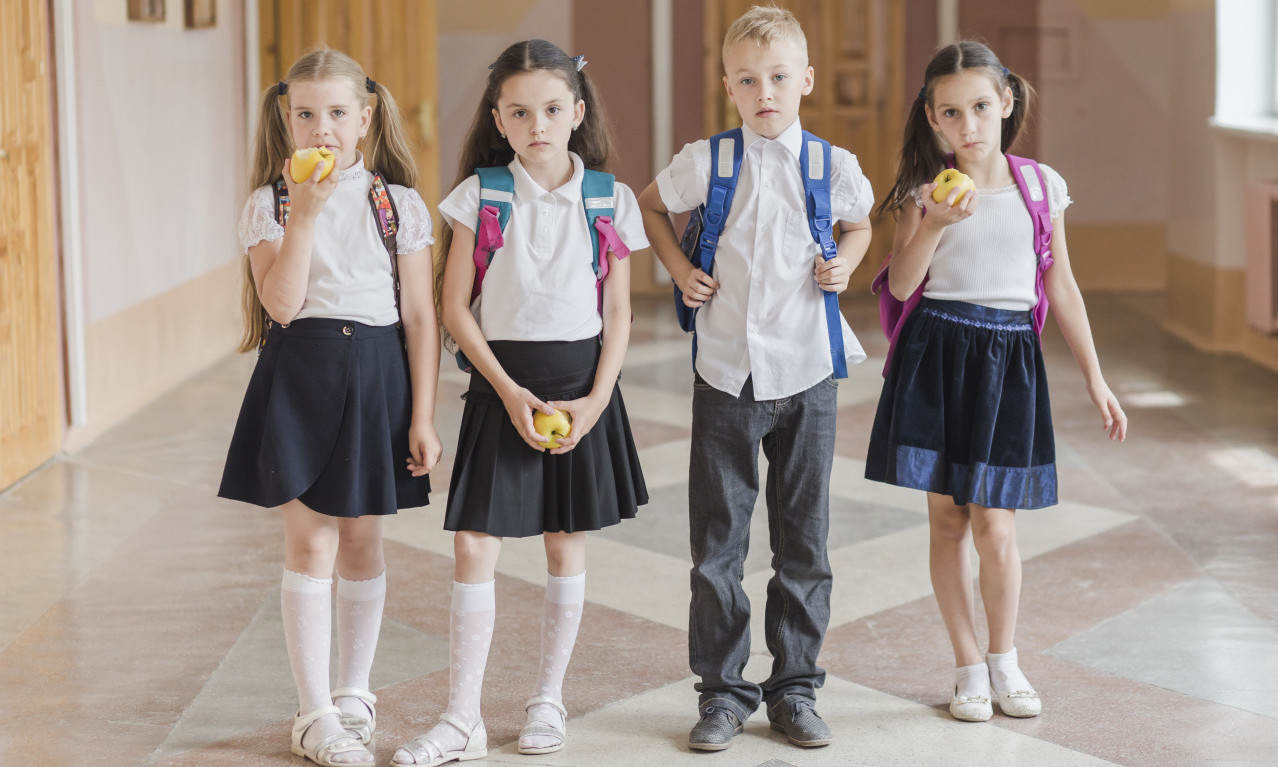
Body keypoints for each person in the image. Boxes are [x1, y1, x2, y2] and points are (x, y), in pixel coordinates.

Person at [391, 39, 648, 767]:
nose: (538, 123)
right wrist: (507, 392)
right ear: (499, 119)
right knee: (475, 542)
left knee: (565, 544)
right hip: (503, 385)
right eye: (520, 111)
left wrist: (597, 401)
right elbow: (454, 308)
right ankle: (461, 714)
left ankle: (547, 698)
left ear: (578, 111)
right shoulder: (479, 194)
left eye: (552, 108)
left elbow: (620, 311)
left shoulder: (610, 198)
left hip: (581, 384)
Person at [865, 40, 1128, 723]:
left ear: (1007, 103)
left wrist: (1096, 378)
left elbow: (1061, 286)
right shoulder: (922, 193)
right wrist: (934, 223)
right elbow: (899, 282)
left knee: (997, 525)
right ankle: (966, 666)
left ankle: (1005, 658)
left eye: (981, 107)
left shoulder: (1042, 186)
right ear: (932, 118)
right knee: (948, 519)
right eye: (951, 113)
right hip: (938, 353)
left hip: (1008, 360)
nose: (969, 125)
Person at [638, 5, 873, 752]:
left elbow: (861, 224)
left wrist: (848, 261)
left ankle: (796, 686)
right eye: (747, 78)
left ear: (803, 79)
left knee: (803, 542)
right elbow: (650, 207)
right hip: (726, 375)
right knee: (719, 544)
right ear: (728, 86)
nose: (763, 89)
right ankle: (722, 690)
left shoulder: (831, 165)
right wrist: (680, 269)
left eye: (777, 75)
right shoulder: (707, 162)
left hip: (809, 373)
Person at [218, 49, 442, 767]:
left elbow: (419, 318)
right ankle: (314, 712)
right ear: (287, 121)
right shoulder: (270, 203)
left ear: (366, 119)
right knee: (311, 542)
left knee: (362, 542)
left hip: (377, 375)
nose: (322, 130)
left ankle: (353, 692)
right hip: (300, 373)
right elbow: (281, 305)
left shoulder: (398, 204)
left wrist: (424, 415)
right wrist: (306, 214)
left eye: (338, 114)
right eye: (306, 115)